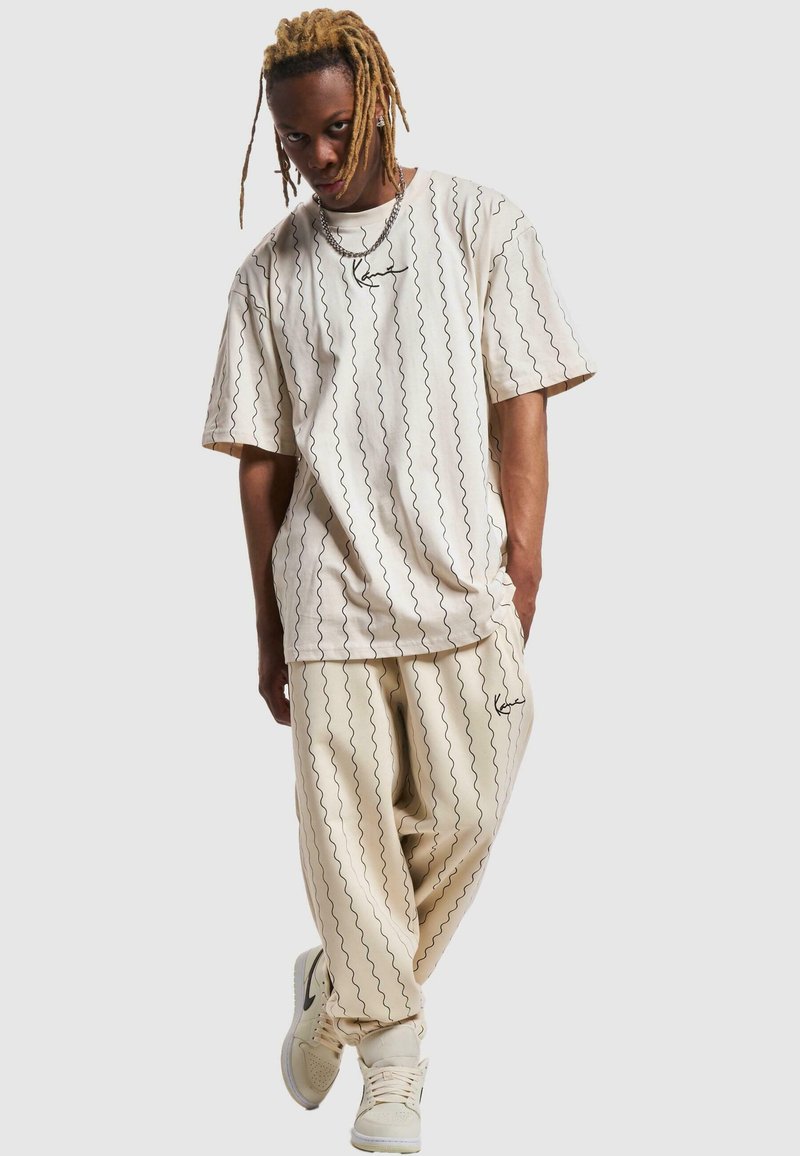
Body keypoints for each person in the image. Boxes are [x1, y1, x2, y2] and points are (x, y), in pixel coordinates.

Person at [201, 8, 597, 1152]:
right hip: (327, 595)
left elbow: (520, 404)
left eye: (335, 128)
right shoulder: (265, 278)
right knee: (345, 832)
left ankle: (338, 982)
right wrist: (267, 624)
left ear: (377, 99)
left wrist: (522, 564)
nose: (318, 156)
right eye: (295, 139)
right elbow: (261, 465)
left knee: (463, 812)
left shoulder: (481, 225)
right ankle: (392, 1066)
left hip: (459, 587)